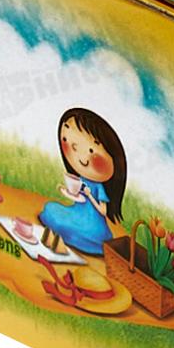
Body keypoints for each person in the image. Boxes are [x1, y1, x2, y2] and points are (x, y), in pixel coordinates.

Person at [38, 107, 128, 256]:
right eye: (69, 142)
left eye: (91, 151)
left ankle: (73, 238)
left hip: (92, 226)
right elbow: (78, 198)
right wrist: (66, 192)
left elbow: (103, 211)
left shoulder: (98, 187)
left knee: (64, 225)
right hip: (75, 214)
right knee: (50, 208)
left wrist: (90, 195)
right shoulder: (81, 179)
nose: (80, 156)